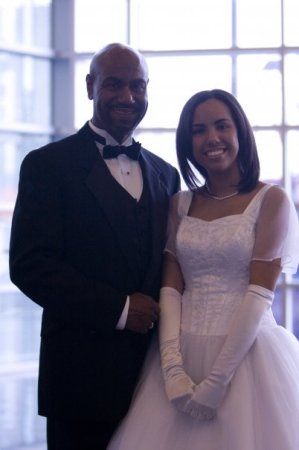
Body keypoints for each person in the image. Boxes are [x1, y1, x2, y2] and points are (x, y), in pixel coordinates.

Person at [9, 42, 180, 450]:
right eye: (115, 85)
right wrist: (119, 309)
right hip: (79, 380)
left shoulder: (167, 175)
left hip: (155, 380)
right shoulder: (47, 165)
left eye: (138, 86)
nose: (128, 97)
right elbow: (30, 265)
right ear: (90, 86)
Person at [107, 89, 299, 450]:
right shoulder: (179, 203)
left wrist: (216, 382)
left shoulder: (271, 200)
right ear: (187, 141)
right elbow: (171, 289)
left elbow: (259, 294)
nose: (211, 138)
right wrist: (172, 368)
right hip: (179, 350)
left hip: (249, 356)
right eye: (198, 130)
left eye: (221, 126)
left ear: (239, 131)